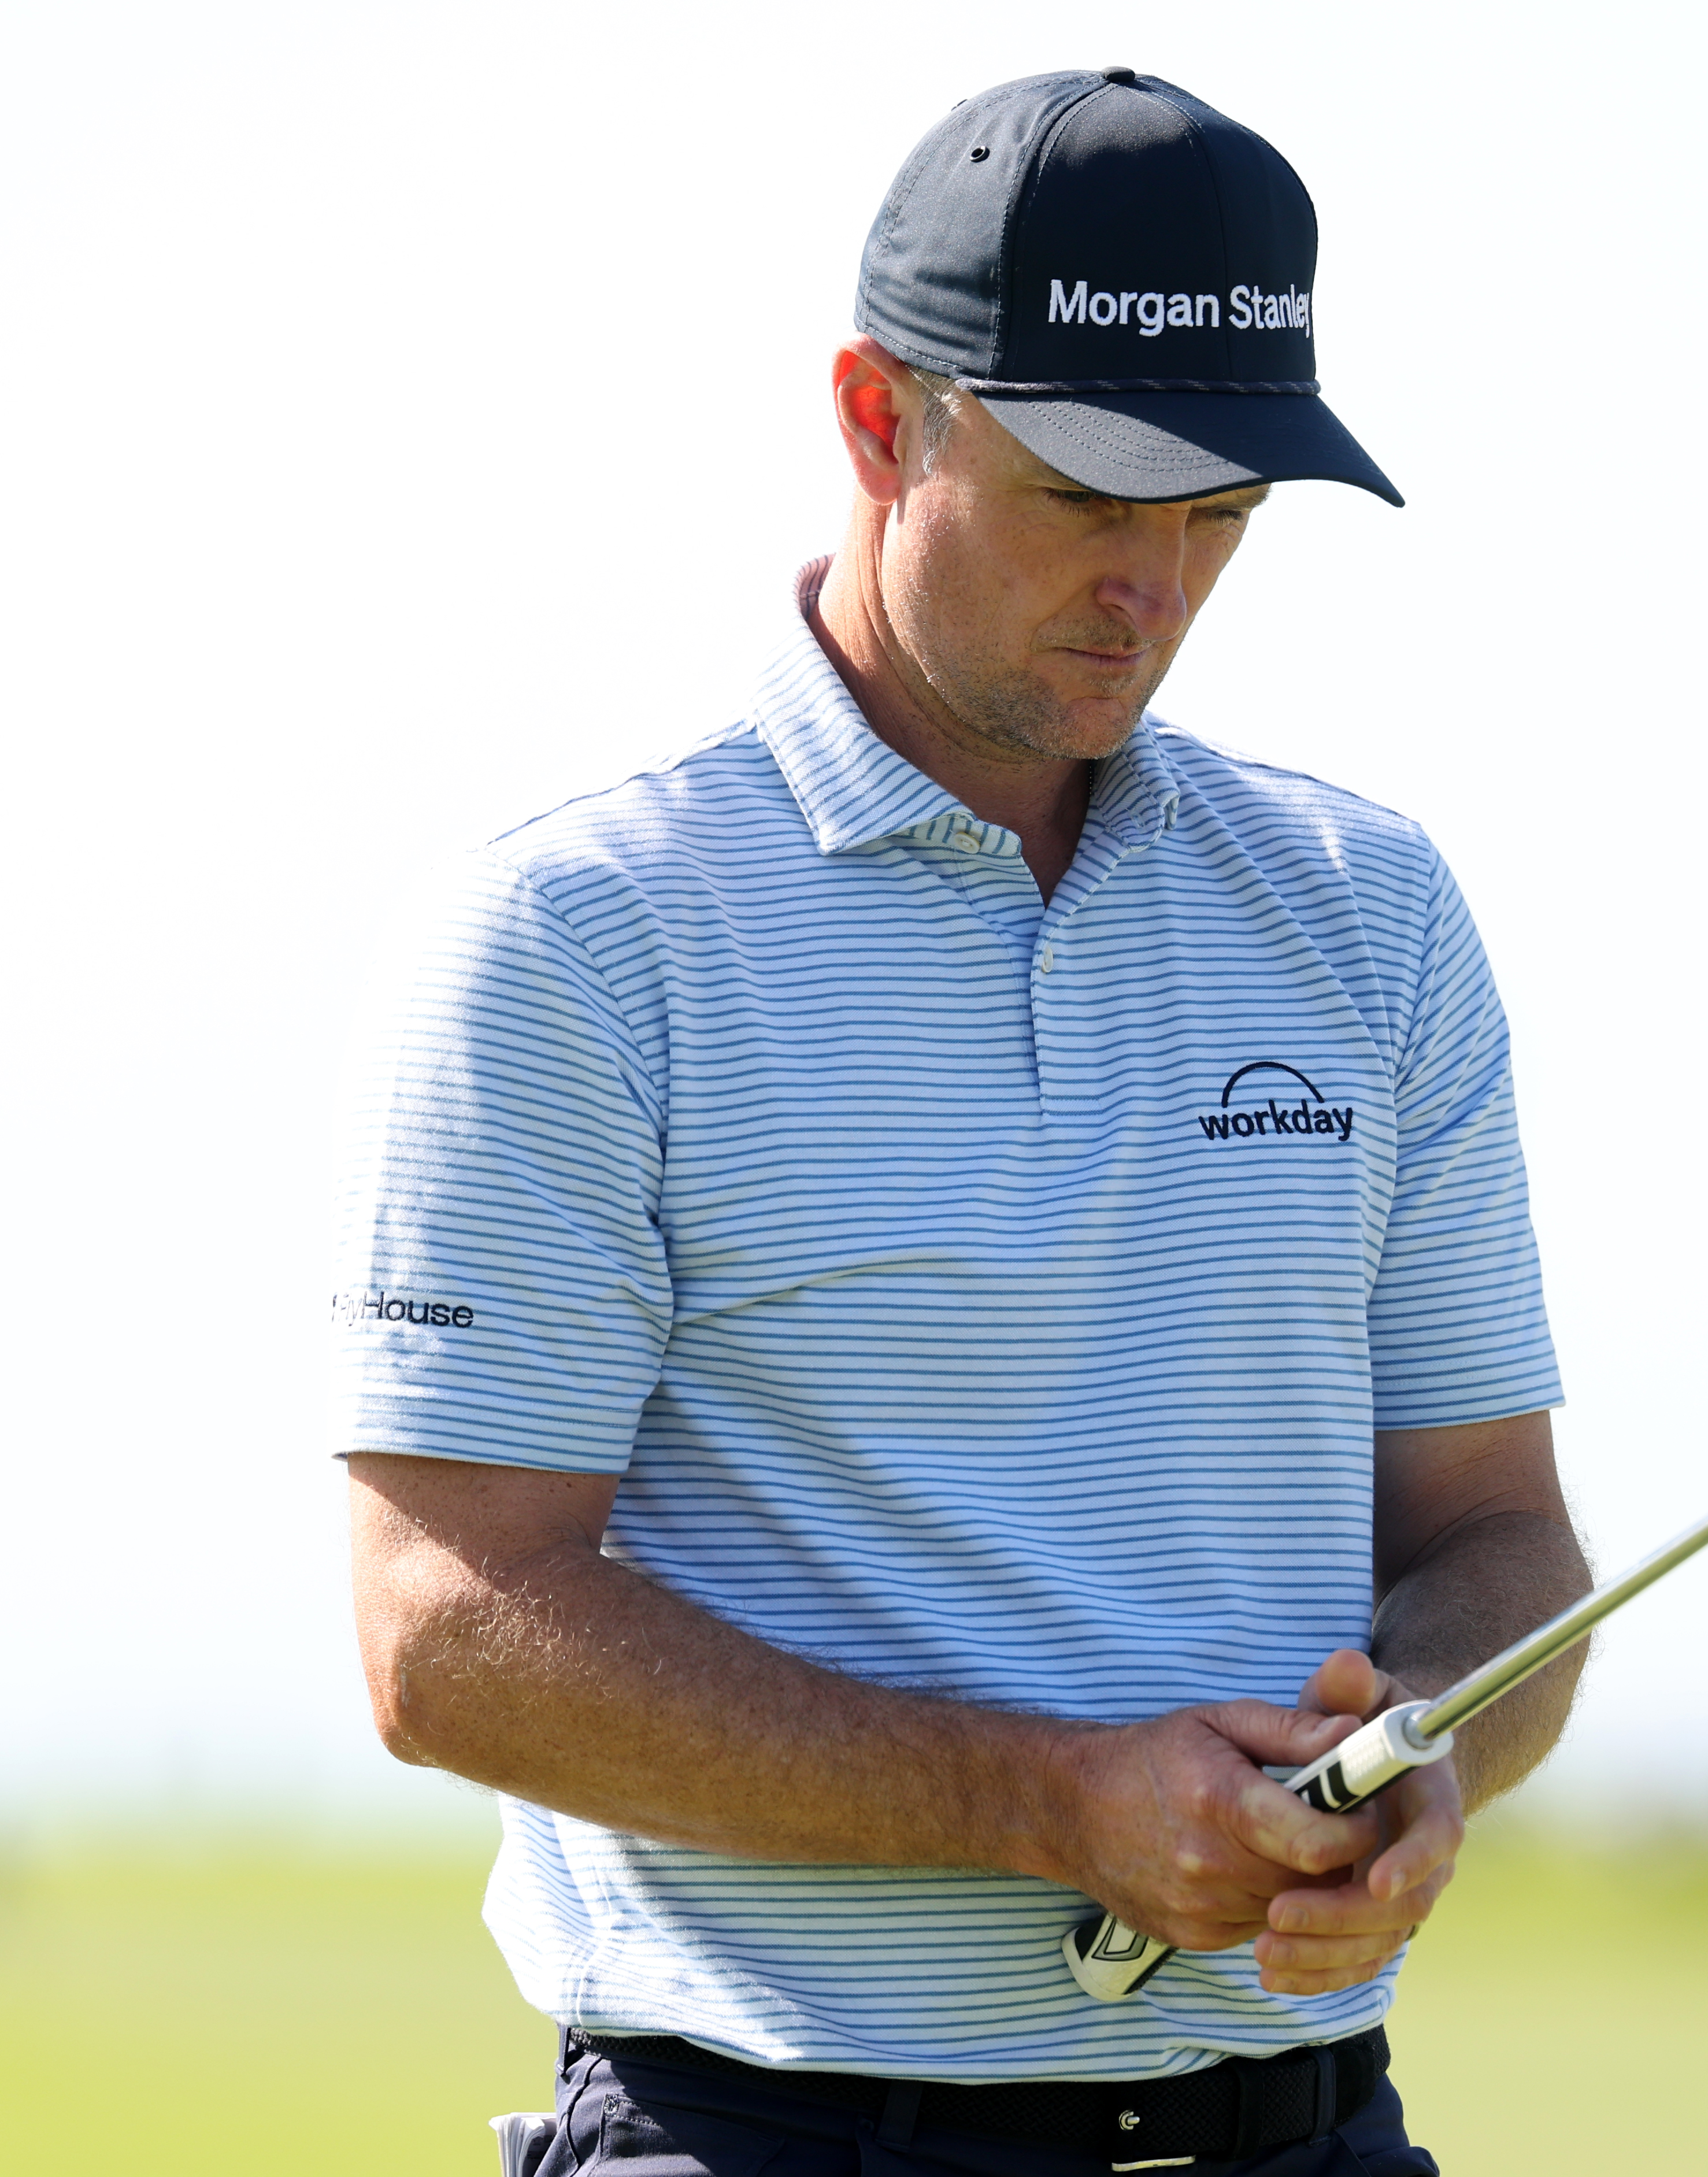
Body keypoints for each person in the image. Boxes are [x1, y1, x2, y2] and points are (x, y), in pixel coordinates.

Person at [331, 66, 1590, 2177]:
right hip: (764, 2140)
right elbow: (445, 1636)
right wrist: (1048, 1801)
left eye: (1221, 516)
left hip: (1299, 2136)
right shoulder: (583, 936)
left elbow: (1495, 1541)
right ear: (877, 414)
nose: (1156, 587)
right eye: (1092, 500)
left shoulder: (1370, 914)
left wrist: (1430, 1747)